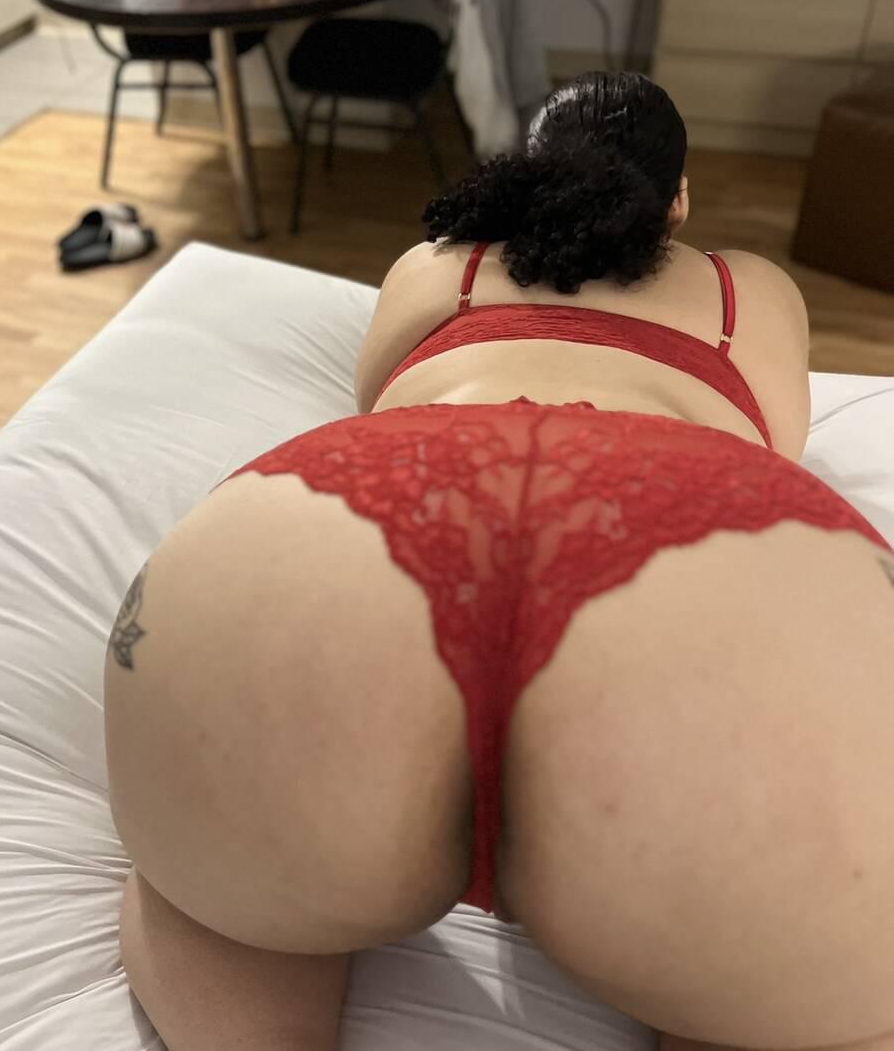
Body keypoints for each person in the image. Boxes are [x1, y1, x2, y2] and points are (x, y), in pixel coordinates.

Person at [105, 73, 894, 1051]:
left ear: (524, 170)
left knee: (221, 916)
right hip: (687, 525)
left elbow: (375, 398)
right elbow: (775, 448)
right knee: (784, 997)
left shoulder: (442, 264)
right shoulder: (750, 288)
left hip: (363, 514)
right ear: (679, 199)